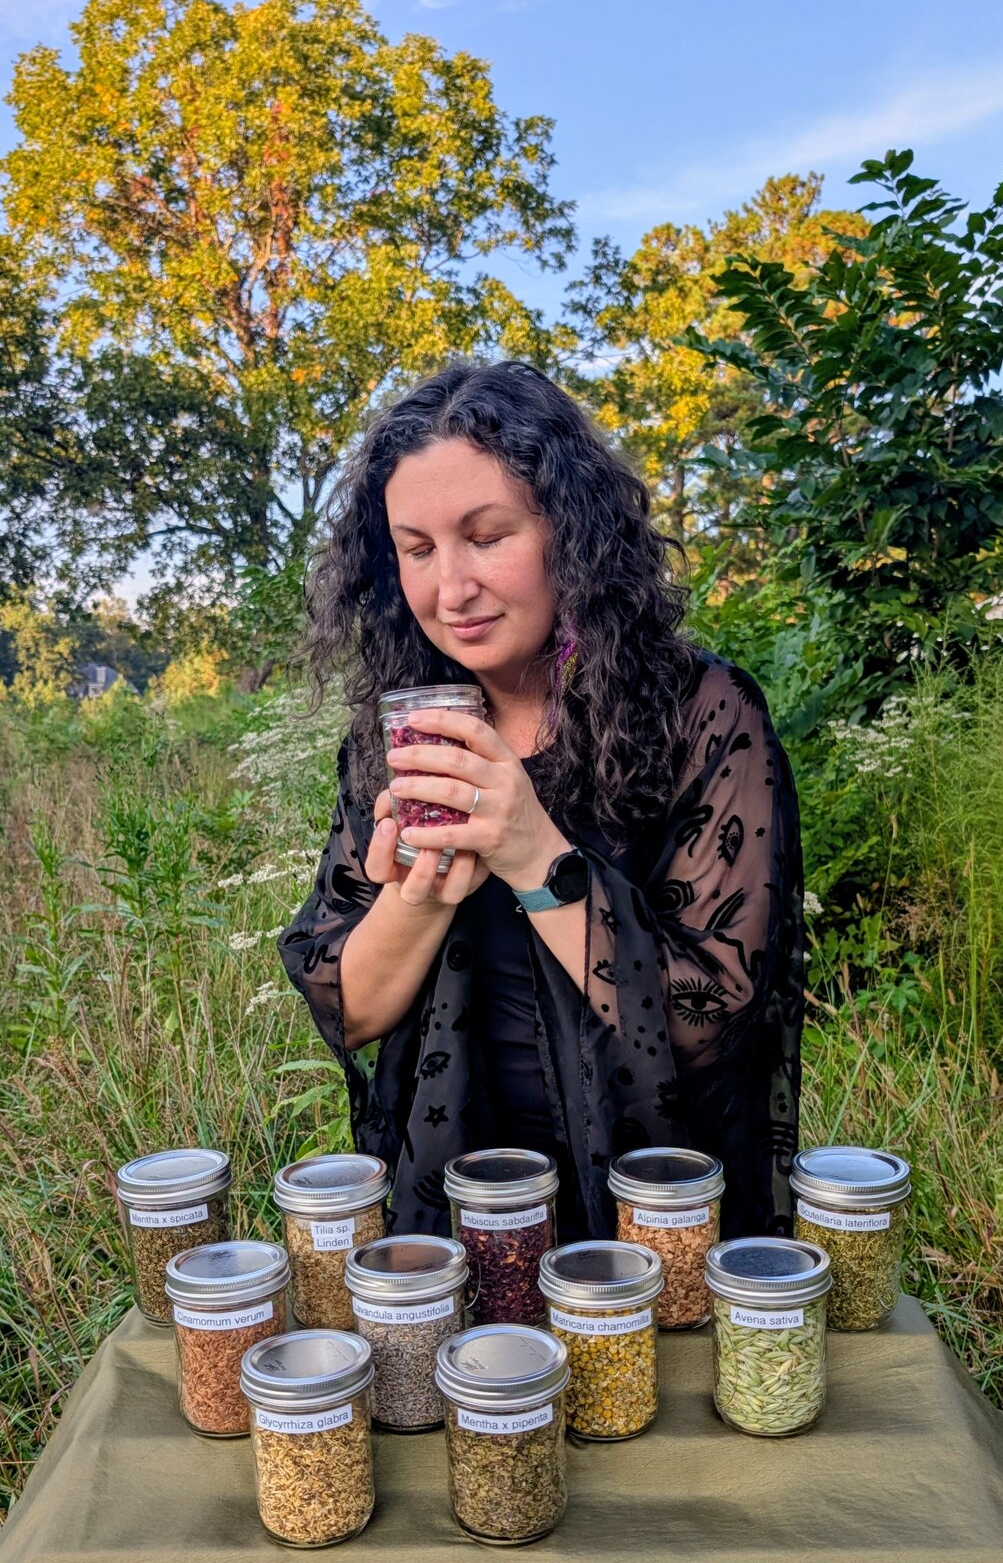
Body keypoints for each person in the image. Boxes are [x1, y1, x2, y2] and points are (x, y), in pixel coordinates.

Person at [278, 360, 804, 1242]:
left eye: (486, 536)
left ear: (571, 530)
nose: (450, 590)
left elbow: (711, 1022)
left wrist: (532, 853)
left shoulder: (702, 714)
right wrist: (418, 895)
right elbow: (352, 1009)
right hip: (459, 1202)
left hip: (657, 1205)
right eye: (417, 549)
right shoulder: (401, 739)